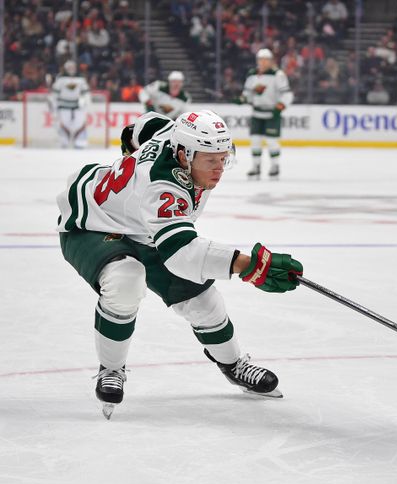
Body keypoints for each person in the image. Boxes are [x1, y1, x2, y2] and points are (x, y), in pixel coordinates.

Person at [56, 110, 304, 419]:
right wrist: (249, 264)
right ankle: (111, 369)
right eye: (210, 160)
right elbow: (182, 255)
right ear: (185, 155)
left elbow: (145, 124)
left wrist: (130, 146)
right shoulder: (162, 186)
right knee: (125, 280)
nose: (219, 169)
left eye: (223, 158)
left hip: (144, 227)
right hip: (90, 223)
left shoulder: (175, 132)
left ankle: (233, 364)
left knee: (204, 303)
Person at [239, 49, 294, 180]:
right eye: (260, 59)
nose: (262, 62)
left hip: (272, 113)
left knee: (272, 141)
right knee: (255, 141)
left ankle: (275, 166)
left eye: (265, 59)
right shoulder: (252, 74)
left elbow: (287, 94)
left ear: (270, 61)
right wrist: (242, 99)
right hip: (257, 112)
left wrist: (279, 107)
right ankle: (256, 166)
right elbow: (248, 94)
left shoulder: (278, 75)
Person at [49, 60, 91, 149]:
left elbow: (85, 92)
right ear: (65, 68)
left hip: (77, 106)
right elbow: (55, 93)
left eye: (73, 67)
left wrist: (86, 101)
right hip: (63, 106)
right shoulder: (60, 79)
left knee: (79, 123)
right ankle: (63, 141)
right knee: (64, 123)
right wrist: (54, 103)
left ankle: (80, 141)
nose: (71, 69)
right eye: (69, 67)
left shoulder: (81, 79)